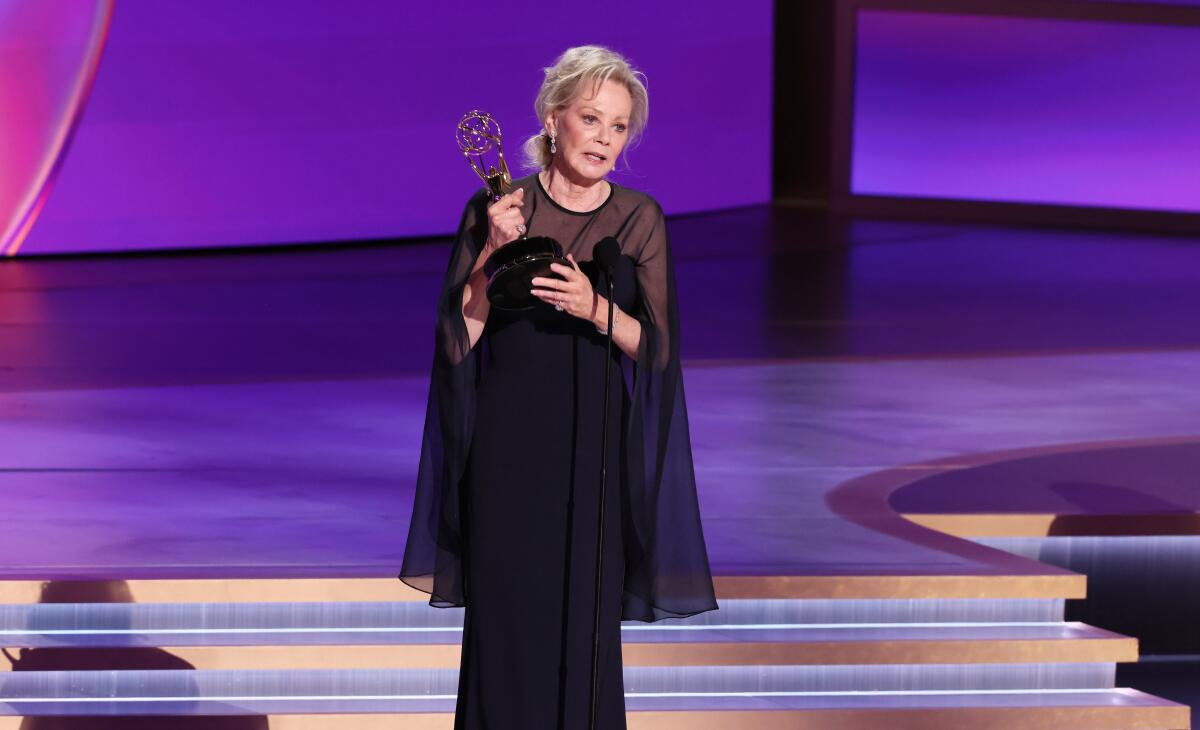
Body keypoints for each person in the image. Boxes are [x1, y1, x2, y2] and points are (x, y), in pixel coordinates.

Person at [400, 45, 716, 729]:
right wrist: (488, 253)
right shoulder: (499, 206)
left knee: (583, 626)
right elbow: (459, 339)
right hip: (508, 448)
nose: (605, 138)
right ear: (553, 119)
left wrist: (594, 309)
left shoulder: (637, 220)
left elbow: (658, 352)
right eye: (592, 119)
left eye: (619, 126)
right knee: (508, 623)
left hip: (594, 453)